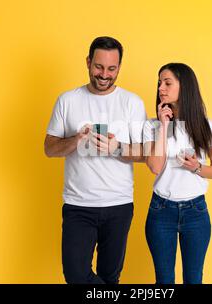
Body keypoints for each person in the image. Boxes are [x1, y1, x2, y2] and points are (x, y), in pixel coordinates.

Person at [44, 36, 147, 284]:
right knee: (76, 275)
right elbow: (49, 148)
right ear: (88, 62)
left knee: (110, 276)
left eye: (112, 69)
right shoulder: (67, 100)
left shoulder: (132, 102)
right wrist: (76, 140)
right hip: (78, 205)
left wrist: (117, 147)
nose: (104, 74)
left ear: (119, 67)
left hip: (119, 204)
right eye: (99, 67)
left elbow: (147, 153)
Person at [143, 63, 212, 284]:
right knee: (164, 280)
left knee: (194, 278)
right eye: (160, 82)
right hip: (161, 211)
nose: (161, 88)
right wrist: (162, 126)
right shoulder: (152, 126)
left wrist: (197, 167)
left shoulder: (207, 126)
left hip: (196, 212)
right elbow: (155, 167)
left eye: (168, 83)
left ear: (185, 87)